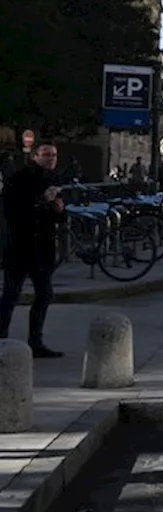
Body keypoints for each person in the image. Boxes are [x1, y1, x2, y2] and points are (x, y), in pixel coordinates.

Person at [0, 143, 67, 357]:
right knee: (11, 293)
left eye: (54, 155)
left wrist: (58, 209)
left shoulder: (53, 179)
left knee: (45, 294)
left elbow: (58, 216)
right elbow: (13, 211)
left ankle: (35, 341)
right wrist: (41, 200)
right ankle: (2, 338)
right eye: (46, 155)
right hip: (20, 245)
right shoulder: (19, 179)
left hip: (43, 246)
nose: (51, 159)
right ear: (35, 156)